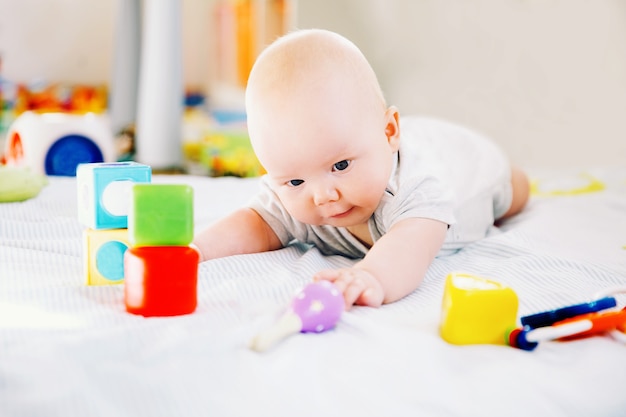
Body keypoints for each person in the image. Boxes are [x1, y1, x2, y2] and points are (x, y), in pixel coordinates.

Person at [193, 28, 530, 310]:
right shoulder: (305, 178)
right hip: (393, 138)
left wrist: (371, 276)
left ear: (389, 133)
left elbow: (409, 249)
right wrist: (197, 249)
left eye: (340, 166)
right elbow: (255, 223)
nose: (323, 196)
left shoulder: (414, 191)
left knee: (516, 191)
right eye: (294, 180)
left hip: (471, 163)